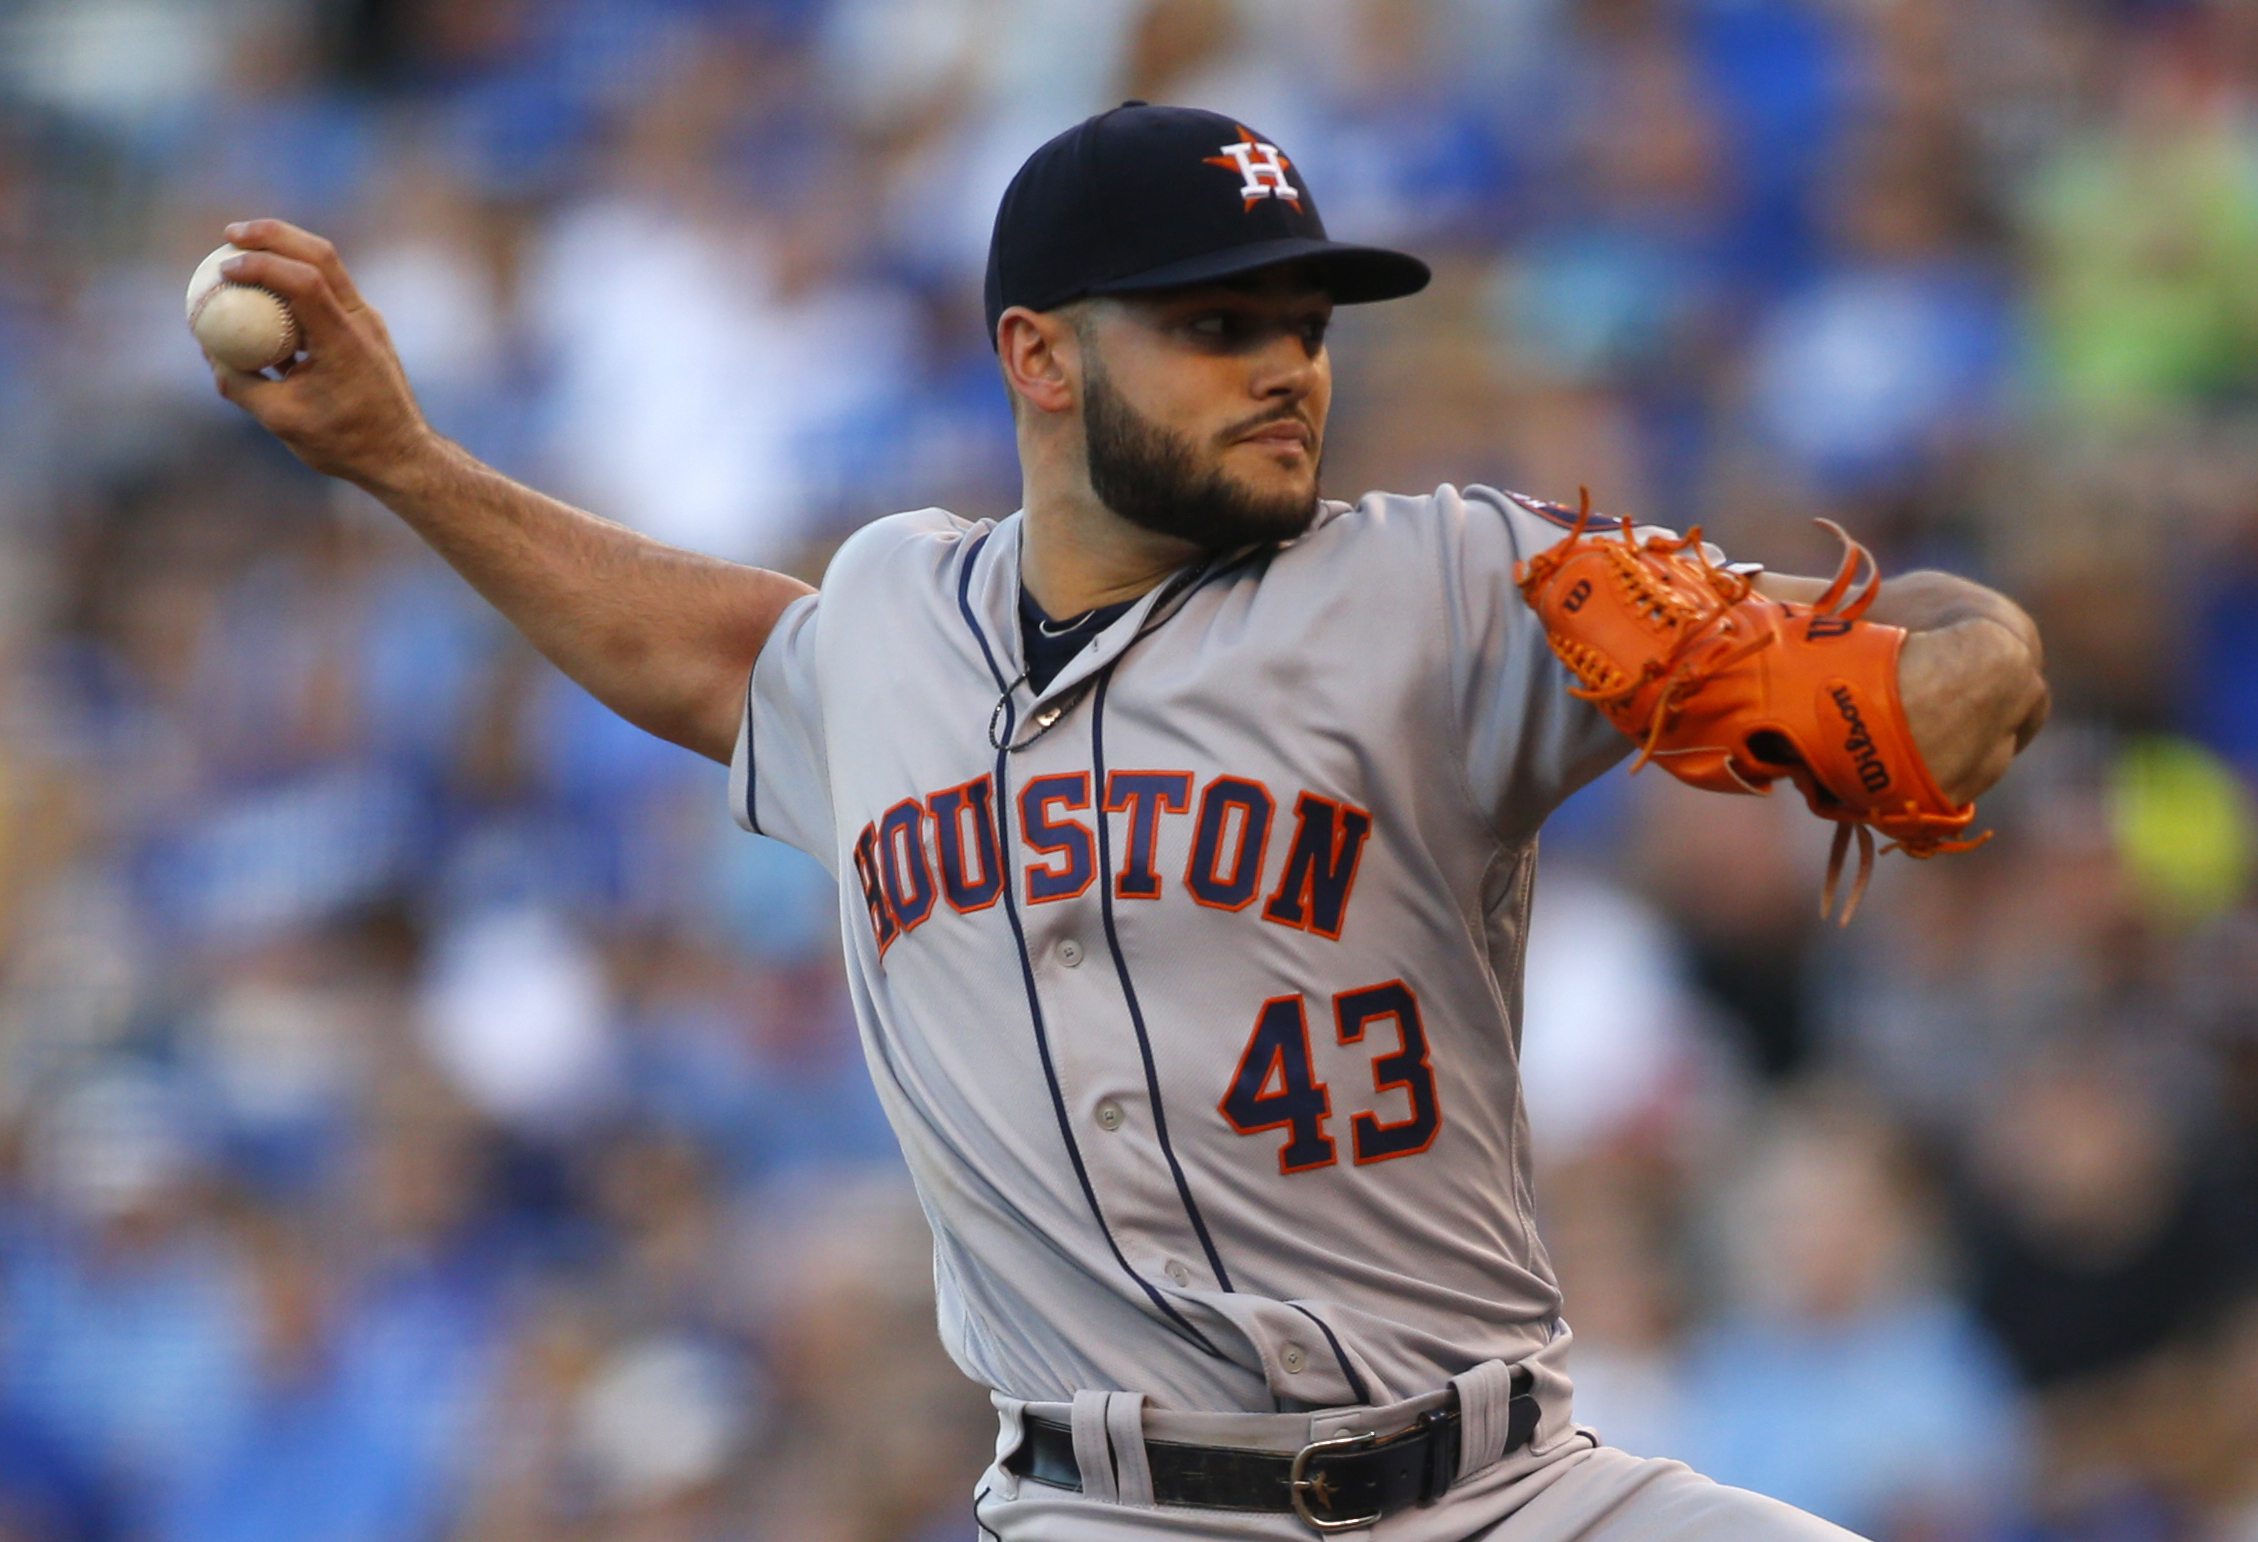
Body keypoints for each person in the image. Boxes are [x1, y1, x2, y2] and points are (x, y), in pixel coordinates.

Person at [208, 103, 2046, 1541]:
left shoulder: (1453, 581)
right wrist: (403, 460)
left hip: (1512, 1488)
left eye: (1302, 326)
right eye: (1213, 323)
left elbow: (1943, 673)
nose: (1286, 367)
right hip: (1113, 1507)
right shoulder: (888, 626)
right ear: (1039, 357)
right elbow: (706, 651)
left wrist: (1945, 671)